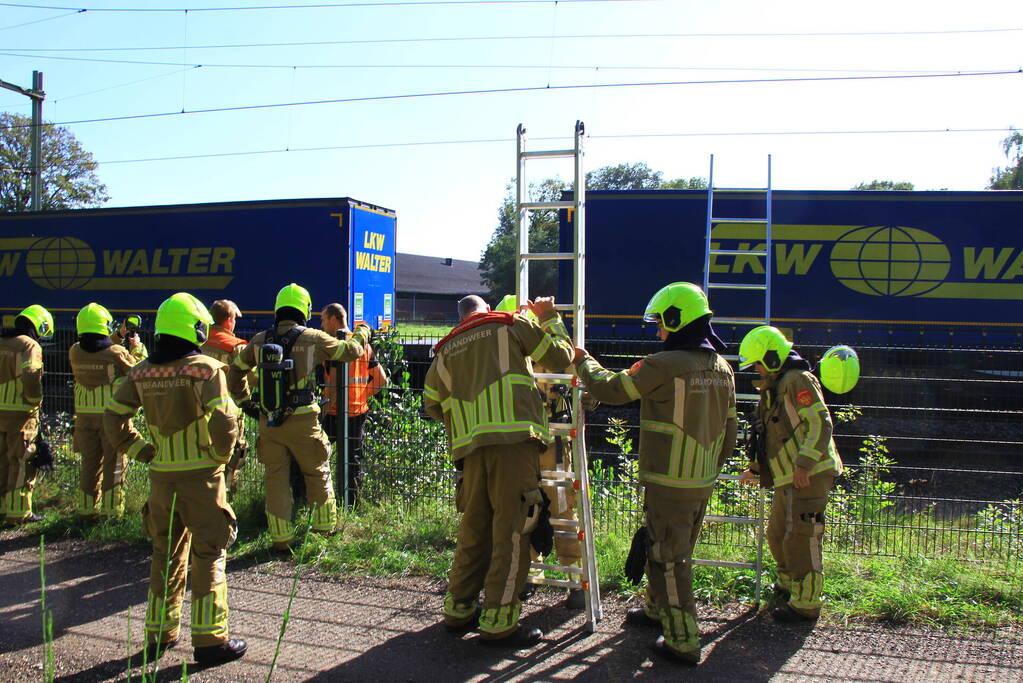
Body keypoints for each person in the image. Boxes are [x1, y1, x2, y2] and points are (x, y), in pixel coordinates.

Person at [574, 283, 736, 665]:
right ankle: (655, 610)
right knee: (668, 549)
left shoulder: (664, 364)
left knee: (669, 560)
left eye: (662, 323)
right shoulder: (722, 368)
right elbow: (730, 431)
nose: (659, 331)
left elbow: (613, 389)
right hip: (701, 481)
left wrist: (583, 362)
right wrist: (708, 469)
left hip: (669, 481)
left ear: (678, 320)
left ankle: (683, 640)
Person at [104, 292, 247, 665]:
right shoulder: (206, 369)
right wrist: (219, 457)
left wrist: (141, 451)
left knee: (164, 555)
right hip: (201, 478)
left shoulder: (140, 372)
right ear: (194, 328)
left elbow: (114, 417)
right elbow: (225, 418)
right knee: (209, 553)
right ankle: (211, 641)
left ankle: (159, 634)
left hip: (161, 479)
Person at [424, 294, 573, 647]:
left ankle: (459, 609)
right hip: (514, 443)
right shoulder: (509, 324)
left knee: (474, 530)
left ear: (461, 317)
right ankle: (499, 620)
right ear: (488, 309)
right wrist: (550, 317)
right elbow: (560, 358)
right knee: (513, 530)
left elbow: (432, 403)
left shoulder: (446, 348)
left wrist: (468, 420)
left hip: (470, 452)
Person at [227, 283, 371, 553]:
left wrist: (246, 402)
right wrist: (363, 331)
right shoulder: (313, 337)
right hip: (304, 419)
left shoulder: (259, 340)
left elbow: (235, 373)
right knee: (317, 472)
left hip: (269, 421)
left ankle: (280, 539)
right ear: (304, 310)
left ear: (278, 309)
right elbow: (350, 351)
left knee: (275, 479)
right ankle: (324, 532)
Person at [737, 325, 843, 622]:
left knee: (802, 536)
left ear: (772, 358)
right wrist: (755, 469)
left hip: (810, 473)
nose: (756, 370)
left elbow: (820, 422)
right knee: (777, 534)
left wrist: (804, 465)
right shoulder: (776, 386)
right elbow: (770, 437)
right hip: (789, 476)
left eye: (758, 363)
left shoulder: (798, 380)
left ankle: (806, 603)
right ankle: (788, 586)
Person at [493, 295, 584, 610]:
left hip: (537, 445)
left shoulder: (520, 353)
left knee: (546, 511)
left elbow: (571, 369)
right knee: (539, 512)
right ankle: (544, 576)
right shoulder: (526, 351)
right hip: (533, 444)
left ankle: (558, 578)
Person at [69, 303, 137, 517]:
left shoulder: (75, 351)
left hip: (84, 418)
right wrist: (136, 348)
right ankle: (112, 512)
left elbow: (99, 351)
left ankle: (86, 510)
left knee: (90, 464)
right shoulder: (117, 352)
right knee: (114, 463)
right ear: (104, 326)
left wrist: (118, 336)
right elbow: (138, 372)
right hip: (111, 417)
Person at [319, 302, 388, 506]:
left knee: (317, 454)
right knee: (353, 460)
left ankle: (318, 499)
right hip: (357, 412)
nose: (321, 325)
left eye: (323, 320)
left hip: (334, 412)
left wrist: (322, 411)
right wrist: (361, 396)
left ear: (333, 319)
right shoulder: (363, 346)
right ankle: (351, 504)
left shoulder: (334, 347)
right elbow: (381, 380)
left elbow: (332, 386)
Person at [0, 304, 52, 524]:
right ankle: (19, 511)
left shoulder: (3, 341)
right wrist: (34, 399)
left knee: (2, 460)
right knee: (22, 460)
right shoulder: (29, 345)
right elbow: (30, 373)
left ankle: (3, 508)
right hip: (20, 413)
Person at [200, 300, 250, 495]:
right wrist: (247, 401)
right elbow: (243, 379)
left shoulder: (200, 340)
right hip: (228, 408)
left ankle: (204, 487)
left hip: (199, 406)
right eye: (235, 319)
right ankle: (226, 489)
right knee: (237, 449)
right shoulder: (235, 346)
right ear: (229, 320)